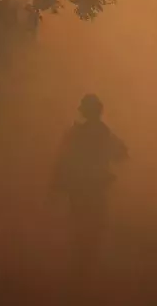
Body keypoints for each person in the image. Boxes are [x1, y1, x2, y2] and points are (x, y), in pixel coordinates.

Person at [51, 94, 128, 279]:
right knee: (93, 228)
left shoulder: (78, 133)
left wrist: (58, 184)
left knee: (83, 228)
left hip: (81, 189)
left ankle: (82, 268)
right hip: (92, 189)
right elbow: (120, 155)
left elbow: (62, 161)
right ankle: (86, 268)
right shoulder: (102, 132)